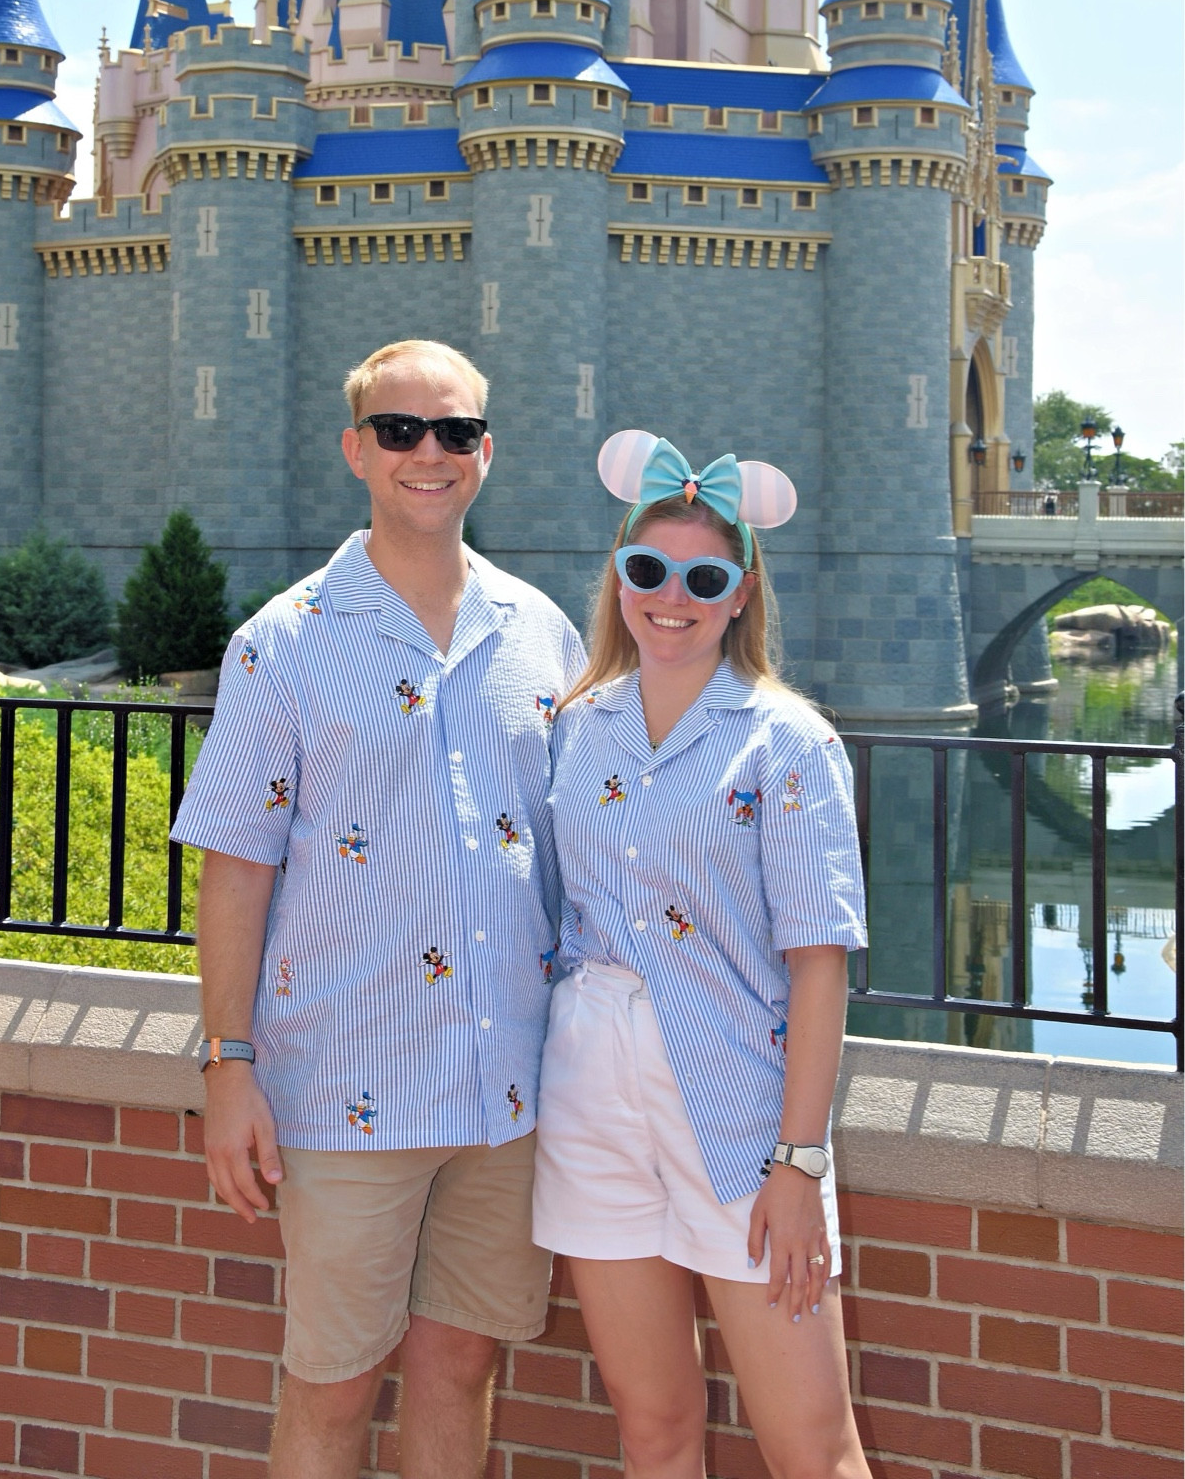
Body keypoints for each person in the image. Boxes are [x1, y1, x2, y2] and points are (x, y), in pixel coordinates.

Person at [171, 339, 585, 1479]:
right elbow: (236, 865)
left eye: (454, 430)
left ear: (486, 452)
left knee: (461, 1365)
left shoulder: (542, 632)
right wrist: (227, 1065)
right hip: (346, 1084)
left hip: (506, 1088)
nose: (428, 452)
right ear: (356, 450)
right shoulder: (283, 642)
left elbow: (580, 849)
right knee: (333, 1381)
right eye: (400, 430)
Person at [532, 431, 870, 1479]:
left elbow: (819, 965)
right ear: (618, 575)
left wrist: (798, 1162)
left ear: (740, 594)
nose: (670, 597)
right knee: (653, 1425)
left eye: (704, 578)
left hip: (737, 1110)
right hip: (589, 1090)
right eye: (648, 568)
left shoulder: (789, 740)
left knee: (812, 1448)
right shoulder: (576, 726)